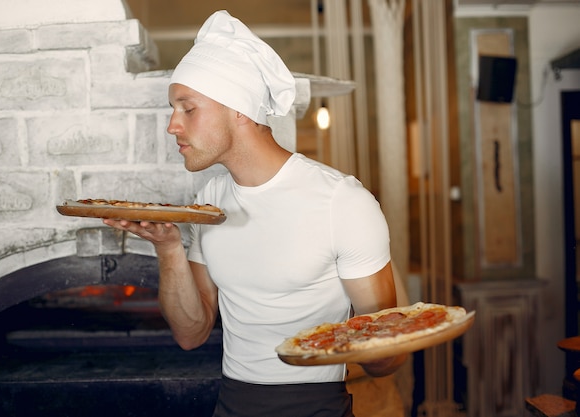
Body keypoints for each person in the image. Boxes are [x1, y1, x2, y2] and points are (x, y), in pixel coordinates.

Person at [104, 10, 406, 417]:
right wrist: (169, 248)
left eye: (187, 108)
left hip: (316, 407)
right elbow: (192, 334)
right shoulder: (209, 200)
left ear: (239, 110)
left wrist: (390, 333)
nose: (172, 126)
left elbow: (386, 360)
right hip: (232, 404)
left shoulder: (342, 201)